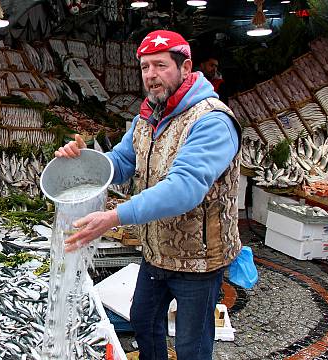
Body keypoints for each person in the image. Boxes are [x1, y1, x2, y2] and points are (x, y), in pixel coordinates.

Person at [55, 29, 241, 360]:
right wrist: (82, 162)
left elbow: (184, 188)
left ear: (185, 68)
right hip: (157, 252)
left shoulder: (212, 120)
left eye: (159, 65)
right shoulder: (148, 116)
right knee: (142, 319)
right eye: (144, 67)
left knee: (191, 346)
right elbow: (124, 162)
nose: (151, 76)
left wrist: (114, 217)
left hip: (198, 260)